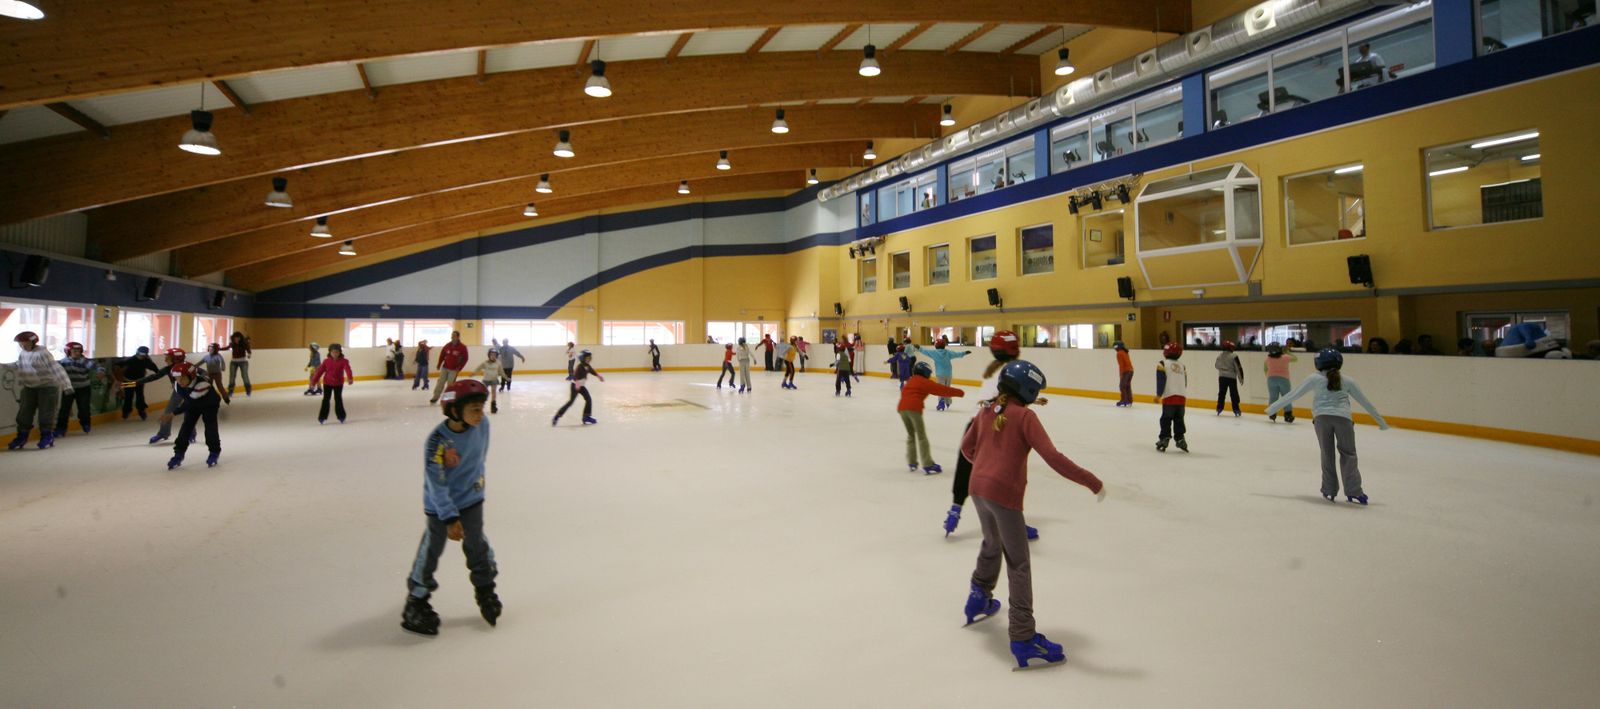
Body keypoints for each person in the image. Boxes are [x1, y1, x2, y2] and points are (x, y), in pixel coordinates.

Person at [958, 360, 1105, 670]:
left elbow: (966, 448)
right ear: (1029, 389)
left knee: (990, 542)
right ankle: (1023, 637)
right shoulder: (1025, 416)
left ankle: (979, 596)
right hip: (1003, 495)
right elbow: (1053, 457)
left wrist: (986, 468)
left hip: (977, 489)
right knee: (1019, 564)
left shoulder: (986, 410)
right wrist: (1091, 481)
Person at [401, 379, 501, 636]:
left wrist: (475, 488)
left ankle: (485, 588)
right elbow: (436, 483)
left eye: (482, 408)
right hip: (440, 505)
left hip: (472, 499)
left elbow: (478, 459)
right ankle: (416, 600)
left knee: (476, 544)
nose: (481, 415)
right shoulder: (438, 442)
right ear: (455, 410)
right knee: (432, 549)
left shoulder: (483, 426)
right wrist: (448, 518)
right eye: (474, 410)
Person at [942, 331, 1044, 540]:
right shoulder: (1011, 372)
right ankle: (1014, 524)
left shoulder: (992, 370)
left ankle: (954, 510)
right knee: (1008, 476)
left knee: (966, 467)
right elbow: (1011, 399)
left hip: (975, 422)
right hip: (996, 426)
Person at [1264, 348, 1389, 504]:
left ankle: (1329, 490)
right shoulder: (1348, 380)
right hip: (1344, 420)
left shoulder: (1314, 378)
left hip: (1321, 420)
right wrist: (1381, 422)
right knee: (1349, 454)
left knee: (1327, 454)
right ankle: (1354, 491)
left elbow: (1293, 394)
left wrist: (1271, 408)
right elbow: (1365, 402)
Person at [8, 332, 73, 450]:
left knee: (46, 413)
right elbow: (19, 365)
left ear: (33, 342)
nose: (22, 345)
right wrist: (4, 366)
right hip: (29, 387)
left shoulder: (42, 353)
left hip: (48, 387)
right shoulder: (23, 354)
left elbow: (56, 369)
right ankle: (22, 436)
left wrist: (67, 386)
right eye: (20, 343)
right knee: (24, 413)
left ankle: (47, 436)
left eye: (24, 342)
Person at [898, 361, 965, 474]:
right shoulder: (925, 382)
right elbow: (942, 390)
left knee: (911, 435)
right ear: (926, 372)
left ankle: (912, 462)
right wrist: (960, 392)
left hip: (902, 409)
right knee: (922, 437)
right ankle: (928, 464)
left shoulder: (911, 380)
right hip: (914, 409)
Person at [161, 361, 230, 469]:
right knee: (185, 428)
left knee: (210, 428)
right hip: (193, 404)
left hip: (209, 405)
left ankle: (214, 452)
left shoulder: (202, 384)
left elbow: (189, 402)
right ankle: (178, 454)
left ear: (191, 376)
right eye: (177, 379)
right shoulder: (177, 385)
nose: (179, 382)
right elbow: (189, 402)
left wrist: (173, 413)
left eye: (182, 378)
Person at [144, 348, 194, 445]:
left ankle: (191, 433)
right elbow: (155, 376)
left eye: (168, 358)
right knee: (168, 411)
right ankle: (163, 433)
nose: (165, 360)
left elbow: (201, 374)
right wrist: (137, 382)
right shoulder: (168, 369)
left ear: (177, 359)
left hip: (190, 392)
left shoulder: (188, 367)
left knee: (189, 413)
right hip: (178, 392)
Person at [913, 337, 971, 411]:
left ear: (936, 346)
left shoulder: (934, 353)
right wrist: (964, 353)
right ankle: (948, 402)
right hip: (948, 374)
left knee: (940, 389)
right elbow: (957, 354)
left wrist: (919, 348)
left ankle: (941, 402)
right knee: (947, 388)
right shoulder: (948, 352)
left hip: (940, 374)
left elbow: (925, 351)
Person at [54, 341, 99, 437]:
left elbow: (96, 366)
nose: (77, 353)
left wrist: (100, 371)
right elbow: (54, 370)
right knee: (64, 409)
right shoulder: (63, 363)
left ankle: (85, 423)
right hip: (68, 388)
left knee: (84, 408)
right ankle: (61, 428)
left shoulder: (84, 361)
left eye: (79, 351)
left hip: (83, 388)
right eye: (75, 351)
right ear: (68, 352)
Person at [552, 350, 604, 426]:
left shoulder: (587, 365)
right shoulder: (579, 366)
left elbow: (591, 371)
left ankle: (586, 416)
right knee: (571, 402)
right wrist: (576, 383)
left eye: (590, 358)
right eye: (587, 358)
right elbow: (575, 375)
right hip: (575, 386)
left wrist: (598, 375)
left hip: (581, 386)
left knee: (588, 399)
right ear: (582, 358)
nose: (589, 359)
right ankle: (557, 416)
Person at [1155, 342, 1189, 452]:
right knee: (1179, 419)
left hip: (1169, 396)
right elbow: (1185, 382)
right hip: (1181, 397)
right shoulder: (1182, 365)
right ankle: (1180, 439)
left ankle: (1164, 438)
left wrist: (1158, 395)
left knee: (1166, 419)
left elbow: (1161, 381)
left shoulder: (1162, 364)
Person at [311, 343, 355, 424]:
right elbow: (319, 372)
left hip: (338, 384)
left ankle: (341, 416)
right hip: (327, 383)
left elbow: (348, 369)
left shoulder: (344, 361)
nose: (335, 354)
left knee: (338, 399)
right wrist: (313, 382)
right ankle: (322, 417)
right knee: (325, 400)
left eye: (337, 352)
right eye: (333, 352)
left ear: (340, 353)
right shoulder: (326, 361)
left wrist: (350, 378)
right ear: (330, 352)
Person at [112, 346, 160, 421]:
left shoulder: (146, 361)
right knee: (128, 396)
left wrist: (158, 373)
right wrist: (118, 377)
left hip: (139, 381)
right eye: (140, 354)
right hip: (128, 381)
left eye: (142, 355)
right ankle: (126, 411)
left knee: (140, 396)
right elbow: (118, 364)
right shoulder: (130, 360)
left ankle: (141, 410)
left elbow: (153, 367)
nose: (141, 356)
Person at [430, 331, 469, 405]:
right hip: (445, 367)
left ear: (458, 337)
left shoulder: (462, 347)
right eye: (452, 335)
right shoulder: (447, 345)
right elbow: (442, 355)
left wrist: (460, 368)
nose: (452, 337)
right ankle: (435, 397)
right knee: (440, 382)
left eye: (454, 336)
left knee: (450, 385)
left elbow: (465, 358)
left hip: (454, 369)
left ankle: (448, 399)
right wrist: (439, 364)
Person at [1263, 343, 1298, 423]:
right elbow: (1295, 359)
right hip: (1284, 379)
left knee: (1273, 397)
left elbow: (1265, 369)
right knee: (1286, 397)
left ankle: (1272, 413)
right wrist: (1287, 352)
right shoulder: (1285, 357)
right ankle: (1288, 414)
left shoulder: (1268, 359)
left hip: (1271, 379)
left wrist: (1268, 376)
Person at [1214, 341, 1244, 417]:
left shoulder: (1220, 356)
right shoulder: (1234, 356)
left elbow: (1216, 366)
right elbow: (1238, 368)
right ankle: (1236, 409)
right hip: (1231, 378)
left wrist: (1223, 369)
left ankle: (1219, 408)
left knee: (1222, 393)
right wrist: (1241, 378)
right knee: (1234, 393)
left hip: (1222, 377)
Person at [472, 349, 505, 414]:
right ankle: (480, 405)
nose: (493, 356)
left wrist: (506, 377)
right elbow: (479, 368)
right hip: (486, 380)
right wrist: (474, 373)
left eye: (495, 355)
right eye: (491, 355)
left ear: (497, 356)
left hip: (494, 380)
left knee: (493, 392)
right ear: (489, 355)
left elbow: (501, 371)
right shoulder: (485, 363)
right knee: (483, 393)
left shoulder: (498, 363)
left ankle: (493, 405)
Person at [226, 331, 253, 397]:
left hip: (243, 362)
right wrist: (218, 349)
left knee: (244, 375)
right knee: (232, 376)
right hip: (233, 362)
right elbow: (227, 347)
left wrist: (249, 354)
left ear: (240, 338)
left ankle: (248, 389)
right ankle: (230, 391)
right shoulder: (232, 344)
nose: (237, 339)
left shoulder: (244, 344)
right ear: (233, 338)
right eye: (235, 337)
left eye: (238, 337)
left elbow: (248, 350)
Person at [1113, 341, 1134, 407]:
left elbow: (1121, 365)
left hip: (1126, 371)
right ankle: (1129, 400)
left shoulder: (1119, 353)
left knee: (1122, 386)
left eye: (1115, 347)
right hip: (1131, 371)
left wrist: (1121, 374)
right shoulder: (1125, 352)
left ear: (1119, 346)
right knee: (1127, 386)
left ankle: (1125, 400)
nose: (1114, 348)